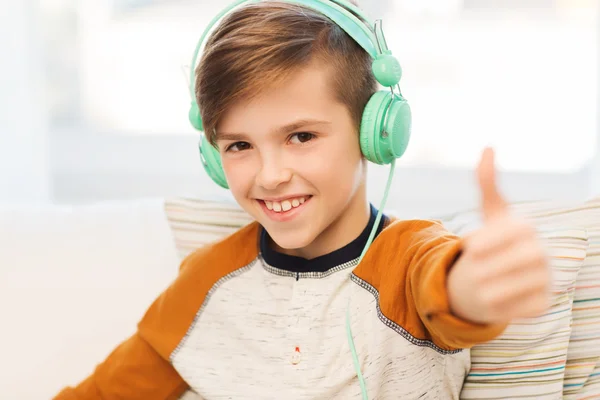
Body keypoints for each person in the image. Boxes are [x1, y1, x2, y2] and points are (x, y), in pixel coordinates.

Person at [54, 0, 551, 399]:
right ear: (212, 155)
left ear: (373, 133)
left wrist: (479, 285)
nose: (270, 176)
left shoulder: (410, 257)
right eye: (240, 146)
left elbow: (451, 289)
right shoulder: (207, 281)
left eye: (301, 137)